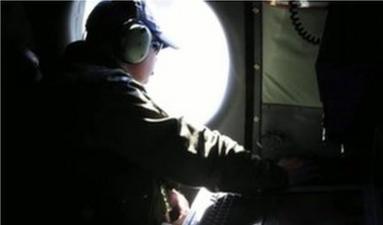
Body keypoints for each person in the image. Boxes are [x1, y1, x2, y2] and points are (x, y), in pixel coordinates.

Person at [49, 1, 309, 225]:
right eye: (157, 47)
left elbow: (135, 149)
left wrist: (166, 191)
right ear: (135, 43)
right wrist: (273, 174)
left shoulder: (79, 79)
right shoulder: (104, 92)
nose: (156, 61)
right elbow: (183, 147)